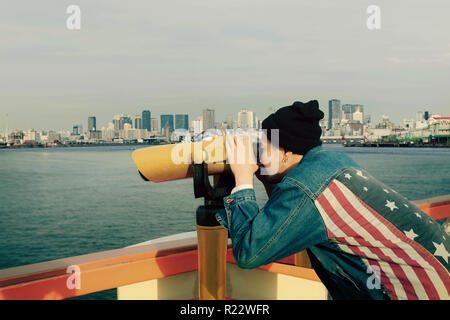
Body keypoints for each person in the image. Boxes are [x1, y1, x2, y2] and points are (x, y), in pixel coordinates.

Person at [215, 100, 450, 300]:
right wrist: (266, 176)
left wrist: (243, 180)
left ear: (286, 151)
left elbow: (249, 253)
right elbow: (284, 223)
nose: (258, 153)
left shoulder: (305, 188)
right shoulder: (333, 163)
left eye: (263, 146)